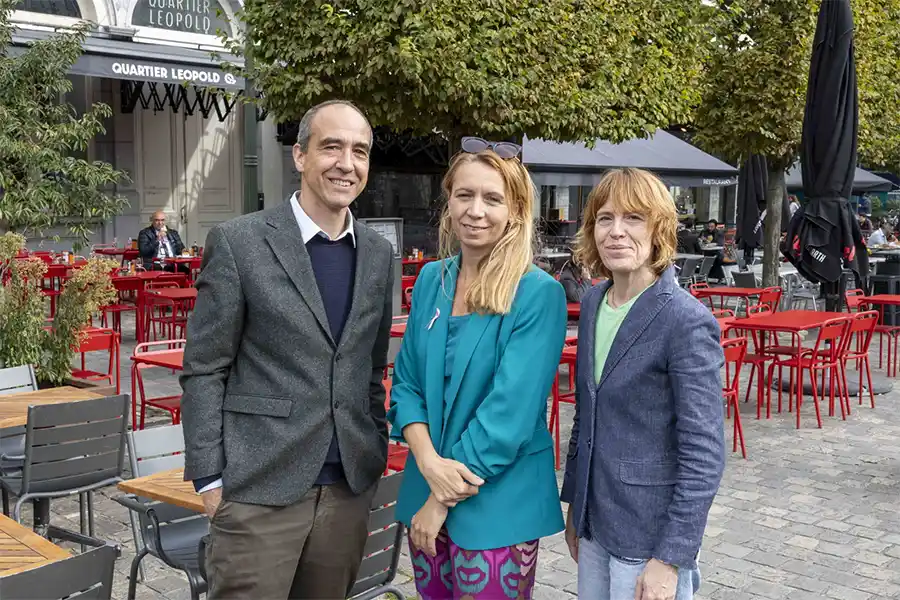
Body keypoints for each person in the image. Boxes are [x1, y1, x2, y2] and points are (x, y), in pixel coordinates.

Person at [180, 100, 394, 599]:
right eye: (331, 147)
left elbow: (370, 366)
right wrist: (210, 479)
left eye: (359, 151)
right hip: (258, 489)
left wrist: (374, 446)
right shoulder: (240, 241)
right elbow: (205, 366)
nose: (347, 163)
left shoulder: (378, 254)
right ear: (299, 156)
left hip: (347, 490)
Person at [388, 139, 567, 599]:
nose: (476, 210)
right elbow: (405, 384)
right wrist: (427, 464)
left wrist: (438, 500)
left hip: (496, 502)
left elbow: (507, 417)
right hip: (426, 484)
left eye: (492, 198)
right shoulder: (433, 279)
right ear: (448, 201)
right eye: (464, 195)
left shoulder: (536, 293)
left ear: (515, 210)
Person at [561, 168, 725, 600]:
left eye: (633, 218)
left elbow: (704, 453)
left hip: (648, 536)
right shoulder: (595, 300)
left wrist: (671, 557)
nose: (616, 232)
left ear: (659, 230)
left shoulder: (685, 320)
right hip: (595, 523)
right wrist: (576, 507)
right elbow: (588, 412)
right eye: (604, 218)